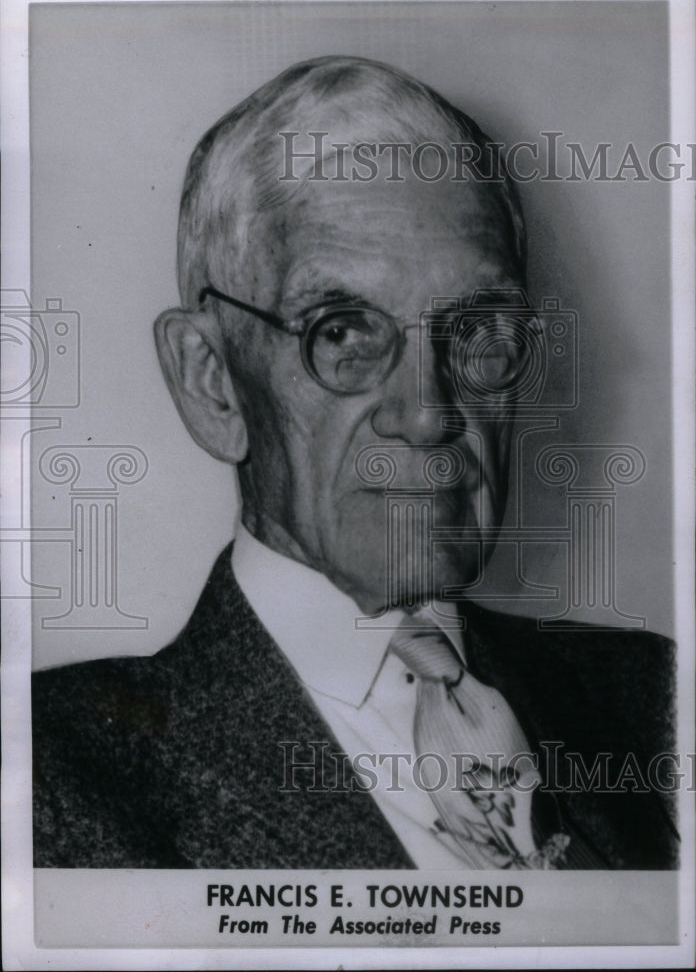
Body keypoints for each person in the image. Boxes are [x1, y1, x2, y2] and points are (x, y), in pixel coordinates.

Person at [32, 56, 677, 870]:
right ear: (213, 383)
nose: (429, 413)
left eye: (478, 330)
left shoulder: (654, 694)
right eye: (340, 332)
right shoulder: (47, 778)